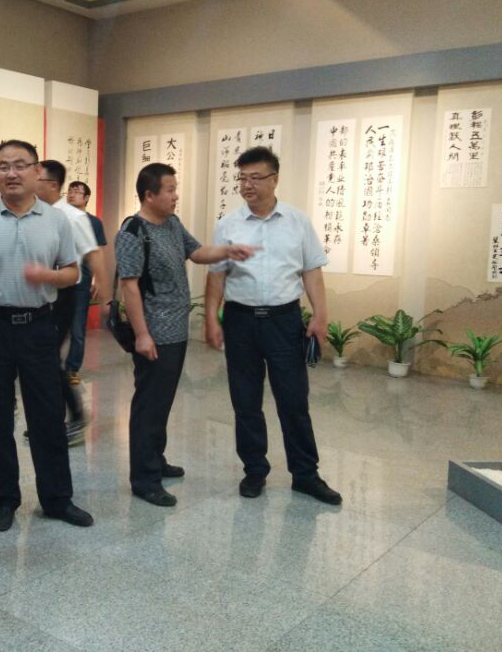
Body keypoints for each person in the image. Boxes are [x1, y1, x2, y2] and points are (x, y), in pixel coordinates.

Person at [0, 139, 93, 532]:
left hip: (38, 327)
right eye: (3, 166)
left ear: (37, 171)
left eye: (20, 165)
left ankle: (57, 499)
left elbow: (73, 272)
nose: (11, 173)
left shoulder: (56, 220)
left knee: (47, 416)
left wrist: (46, 275)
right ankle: (4, 500)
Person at [204, 146, 342, 505]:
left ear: (274, 179)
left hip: (284, 320)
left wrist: (320, 315)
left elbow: (312, 271)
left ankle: (306, 474)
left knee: (293, 400)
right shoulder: (228, 224)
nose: (247, 185)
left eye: (255, 177)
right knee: (245, 400)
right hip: (240, 321)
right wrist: (211, 317)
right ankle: (254, 470)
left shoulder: (298, 221)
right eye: (242, 178)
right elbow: (216, 275)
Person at [115, 162, 254, 507]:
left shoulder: (172, 224)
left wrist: (227, 251)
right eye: (170, 190)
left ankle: (156, 459)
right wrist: (142, 334)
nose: (176, 195)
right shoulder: (133, 231)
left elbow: (197, 252)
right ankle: (144, 479)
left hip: (175, 329)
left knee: (161, 401)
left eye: (175, 189)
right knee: (149, 404)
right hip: (154, 332)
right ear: (149, 195)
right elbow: (129, 287)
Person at [35, 161, 107, 446]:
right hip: (44, 292)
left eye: (38, 178)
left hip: (68, 292)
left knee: (49, 357)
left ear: (53, 185)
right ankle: (52, 419)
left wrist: (104, 292)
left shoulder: (73, 217)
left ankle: (76, 415)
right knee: (43, 358)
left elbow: (93, 253)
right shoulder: (38, 212)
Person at [63, 180, 107, 385]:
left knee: (77, 328)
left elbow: (98, 251)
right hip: (58, 279)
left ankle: (72, 368)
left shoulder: (94, 222)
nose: (72, 194)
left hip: (82, 282)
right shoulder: (60, 218)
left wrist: (98, 279)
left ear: (87, 198)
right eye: (70, 191)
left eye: (77, 191)